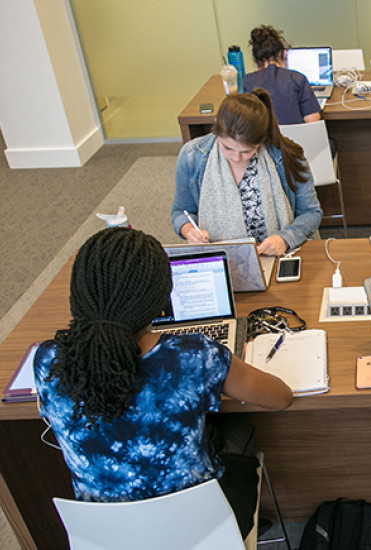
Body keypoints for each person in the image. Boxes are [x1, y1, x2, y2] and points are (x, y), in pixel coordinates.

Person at [33, 227, 294, 538]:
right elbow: (280, 397)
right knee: (241, 423)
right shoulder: (193, 357)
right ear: (161, 303)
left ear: (80, 293)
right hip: (203, 533)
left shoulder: (49, 360)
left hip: (108, 536)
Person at [171, 89, 322, 255]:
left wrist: (285, 238)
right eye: (227, 148)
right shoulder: (193, 155)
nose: (236, 158)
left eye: (247, 151)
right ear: (215, 126)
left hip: (278, 255)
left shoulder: (287, 156)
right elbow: (180, 212)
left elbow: (310, 212)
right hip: (222, 258)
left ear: (261, 140)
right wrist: (188, 230)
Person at [243, 25, 321, 125]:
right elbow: (313, 121)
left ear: (256, 62)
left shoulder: (248, 82)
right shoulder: (297, 79)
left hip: (264, 140)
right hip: (296, 140)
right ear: (284, 54)